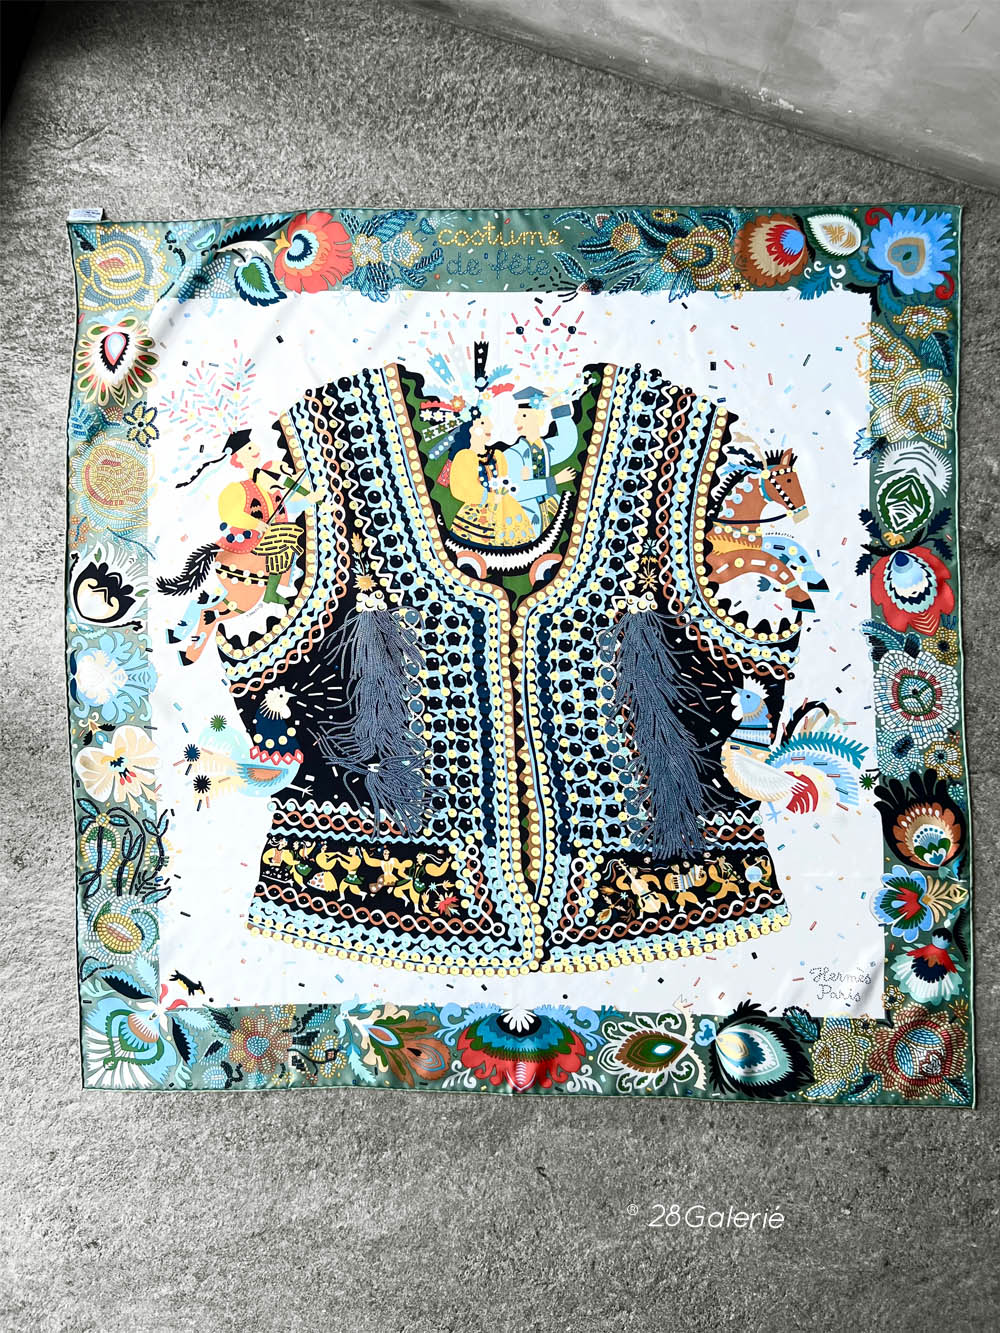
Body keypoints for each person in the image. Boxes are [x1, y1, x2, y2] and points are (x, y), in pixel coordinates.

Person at [445, 413, 535, 549]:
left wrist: (522, 476)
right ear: (470, 429)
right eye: (482, 423)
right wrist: (490, 497)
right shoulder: (464, 457)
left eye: (489, 423)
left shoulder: (498, 455)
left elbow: (506, 480)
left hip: (505, 508)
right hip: (477, 512)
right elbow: (461, 489)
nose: (489, 427)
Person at [502, 386, 577, 537]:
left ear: (539, 417)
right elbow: (514, 490)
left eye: (523, 415)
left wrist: (558, 406)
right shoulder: (512, 454)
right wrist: (554, 481)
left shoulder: (545, 448)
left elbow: (567, 442)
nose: (516, 421)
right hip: (523, 516)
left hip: (547, 509)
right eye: (517, 416)